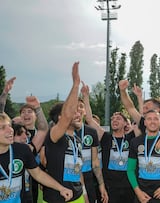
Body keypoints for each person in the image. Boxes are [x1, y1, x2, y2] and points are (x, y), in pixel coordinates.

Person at [82, 81, 137, 203]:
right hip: (110, 186)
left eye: (118, 118)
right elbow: (89, 119)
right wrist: (86, 97)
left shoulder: (132, 138)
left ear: (124, 123)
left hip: (129, 186)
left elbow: (140, 118)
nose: (114, 120)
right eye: (112, 119)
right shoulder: (106, 137)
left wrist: (135, 95)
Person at [0, 113, 73, 202]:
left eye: (9, 126)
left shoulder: (22, 150)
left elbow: (37, 174)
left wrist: (61, 188)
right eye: (2, 128)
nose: (10, 130)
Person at [42, 61, 87, 203]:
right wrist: (75, 85)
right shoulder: (55, 135)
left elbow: (77, 170)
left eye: (79, 112)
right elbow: (67, 115)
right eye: (74, 112)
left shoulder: (77, 140)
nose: (79, 114)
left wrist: (84, 194)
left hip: (77, 196)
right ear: (61, 118)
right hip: (57, 198)